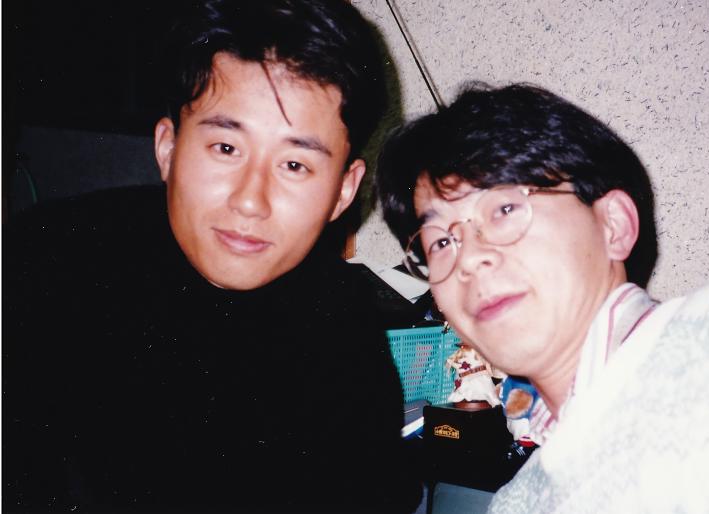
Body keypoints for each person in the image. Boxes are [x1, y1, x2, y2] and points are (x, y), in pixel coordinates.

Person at [3, 1, 422, 512]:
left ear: (343, 191)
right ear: (168, 148)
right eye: (226, 148)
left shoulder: (342, 317)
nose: (250, 200)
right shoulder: (44, 266)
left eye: (294, 164)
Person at [376, 83, 709, 513]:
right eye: (440, 241)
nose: (467, 259)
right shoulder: (518, 503)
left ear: (613, 225)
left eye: (504, 209)